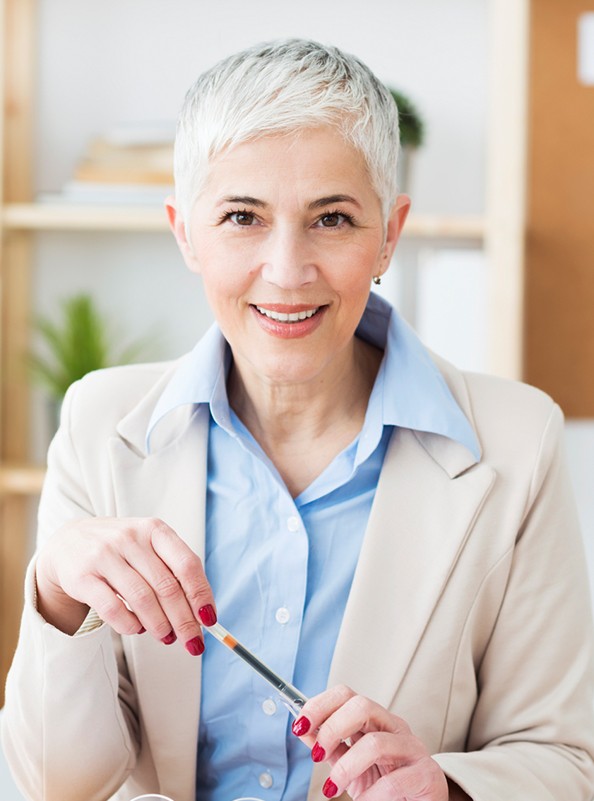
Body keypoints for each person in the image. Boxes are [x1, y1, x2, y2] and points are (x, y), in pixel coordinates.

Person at [2, 38, 594, 801]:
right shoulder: (99, 424)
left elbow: (566, 762)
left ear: (390, 231)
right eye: (243, 215)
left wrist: (444, 788)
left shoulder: (519, 441)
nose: (287, 269)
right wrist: (56, 590)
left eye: (334, 218)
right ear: (185, 231)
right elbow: (56, 781)